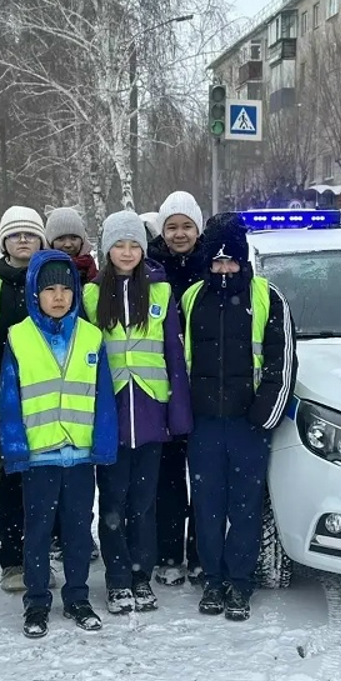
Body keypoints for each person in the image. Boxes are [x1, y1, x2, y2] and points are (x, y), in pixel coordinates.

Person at [181, 213, 295, 622]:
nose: (224, 269)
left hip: (250, 423)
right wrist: (184, 412)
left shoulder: (268, 297)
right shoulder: (192, 299)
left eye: (231, 262)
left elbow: (282, 361)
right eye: (216, 262)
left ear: (243, 262)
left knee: (245, 506)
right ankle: (213, 578)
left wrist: (265, 414)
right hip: (205, 423)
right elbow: (179, 362)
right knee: (207, 504)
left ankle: (239, 582)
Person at [0, 250, 117, 638]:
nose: (59, 296)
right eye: (49, 289)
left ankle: (78, 597)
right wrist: (15, 450)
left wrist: (103, 445)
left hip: (80, 456)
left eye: (66, 288)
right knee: (37, 531)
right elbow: (10, 399)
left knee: (79, 531)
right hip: (40, 457)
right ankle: (36, 602)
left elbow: (102, 396)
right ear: (35, 292)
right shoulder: (19, 337)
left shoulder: (91, 335)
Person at [84, 211, 192, 615]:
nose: (127, 253)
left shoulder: (162, 293)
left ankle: (140, 574)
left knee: (144, 503)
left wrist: (177, 413)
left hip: (150, 412)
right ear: (107, 249)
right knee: (112, 502)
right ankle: (117, 579)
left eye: (134, 245)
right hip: (110, 413)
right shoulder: (92, 296)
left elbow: (174, 356)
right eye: (119, 245)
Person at [147, 190, 205, 586]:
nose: (179, 234)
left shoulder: (213, 265)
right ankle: (168, 553)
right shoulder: (151, 268)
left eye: (187, 226)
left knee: (201, 476)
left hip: (202, 386)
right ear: (162, 230)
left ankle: (200, 553)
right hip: (163, 386)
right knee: (167, 478)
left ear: (198, 230)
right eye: (172, 227)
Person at [0, 206, 46, 593]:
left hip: (51, 395)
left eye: (29, 234)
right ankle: (12, 559)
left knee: (46, 478)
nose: (22, 240)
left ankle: (41, 555)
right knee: (12, 478)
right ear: (3, 241)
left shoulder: (54, 277)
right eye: (15, 234)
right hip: (5, 393)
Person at [45, 207, 99, 282]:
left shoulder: (90, 267)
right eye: (60, 238)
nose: (68, 244)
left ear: (82, 240)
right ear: (50, 243)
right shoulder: (42, 268)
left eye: (74, 238)